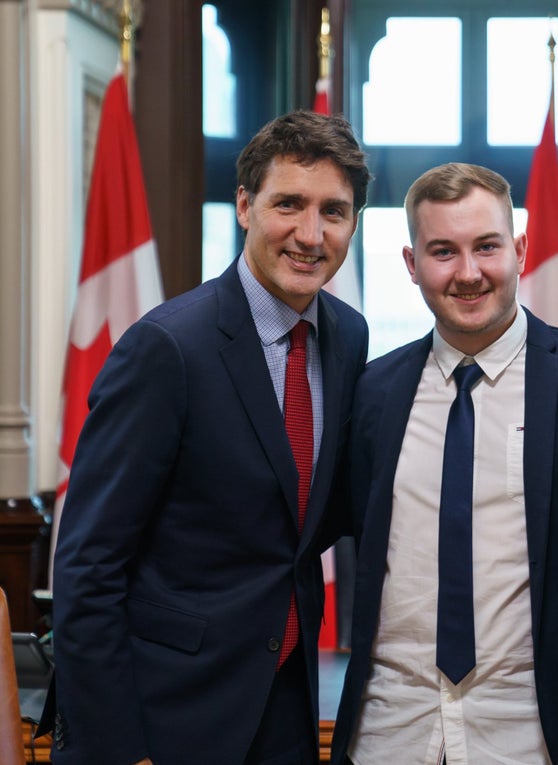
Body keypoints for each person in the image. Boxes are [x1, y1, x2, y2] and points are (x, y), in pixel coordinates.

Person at [47, 110, 370, 764]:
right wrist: (121, 749)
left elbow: (310, 519)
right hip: (161, 718)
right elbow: (87, 566)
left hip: (284, 710)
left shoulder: (349, 337)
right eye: (290, 204)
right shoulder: (168, 347)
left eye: (333, 211)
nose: (311, 234)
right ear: (246, 205)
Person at [330, 163, 558, 764]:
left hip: (536, 736)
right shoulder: (371, 393)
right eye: (443, 251)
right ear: (412, 265)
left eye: (486, 247)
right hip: (391, 732)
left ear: (517, 250)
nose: (468, 273)